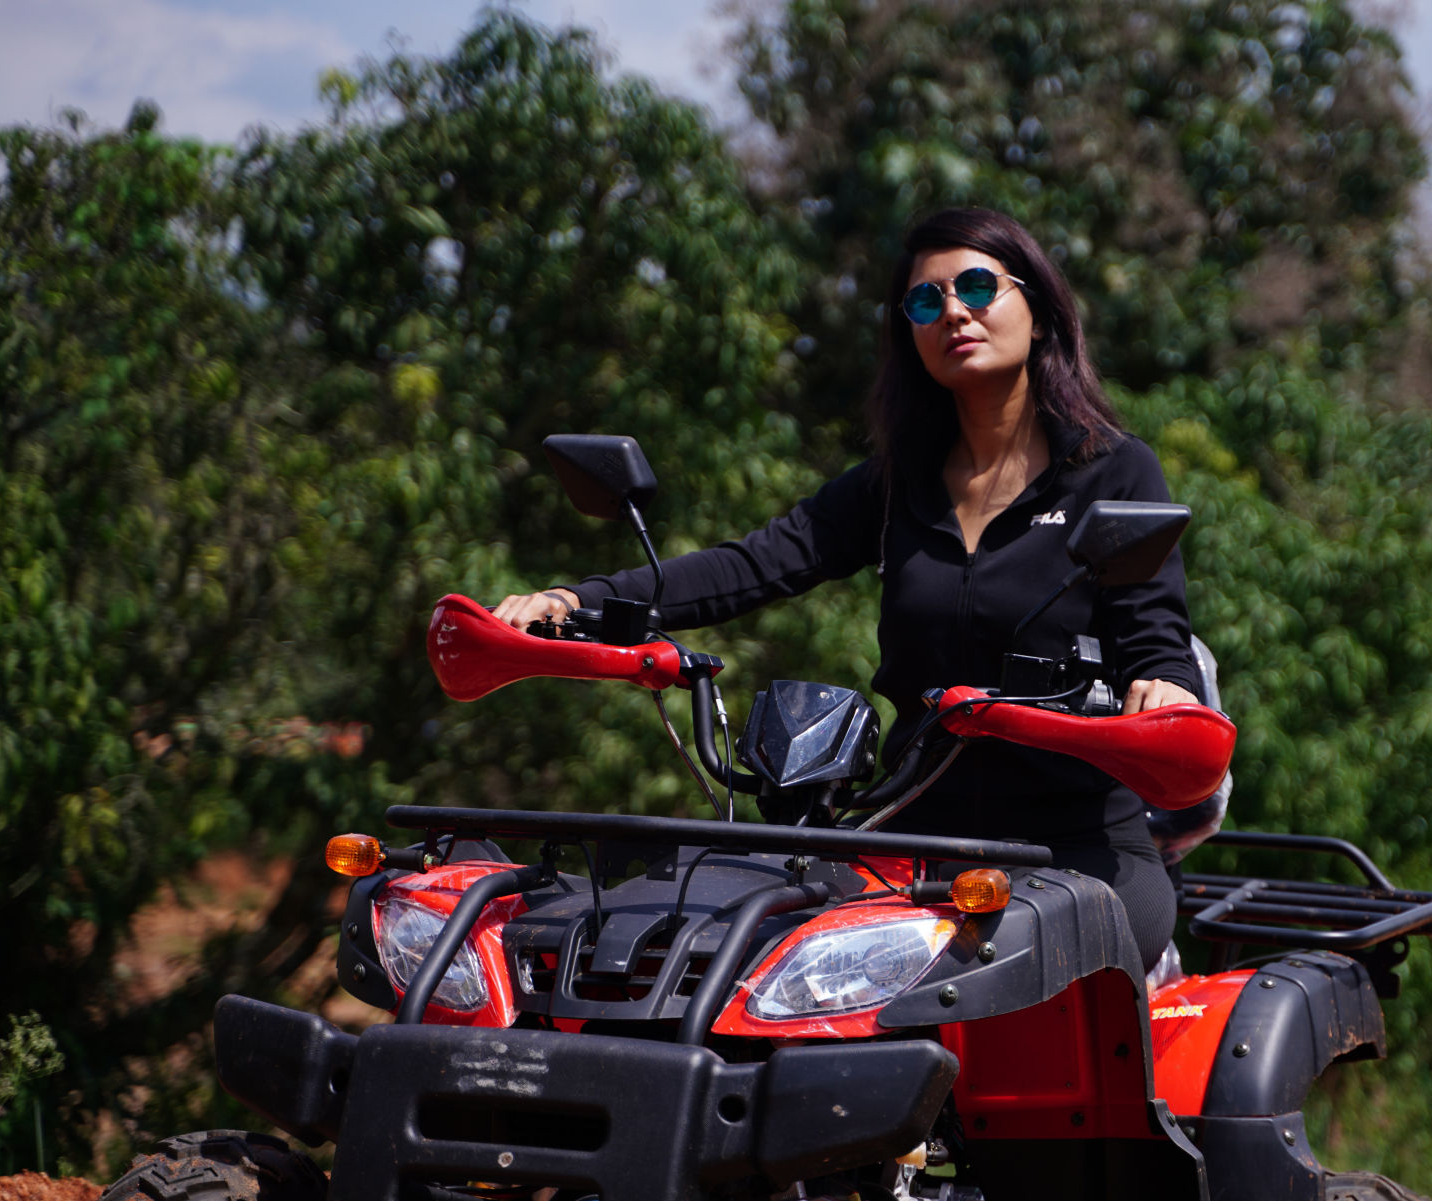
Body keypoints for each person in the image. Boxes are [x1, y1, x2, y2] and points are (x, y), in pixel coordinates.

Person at [494, 208, 1200, 972]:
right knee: (731, 951)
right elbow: (754, 562)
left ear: (1039, 308)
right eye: (925, 302)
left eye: (976, 286)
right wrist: (579, 602)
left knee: (987, 968)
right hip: (910, 844)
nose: (954, 311)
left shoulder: (1112, 471)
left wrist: (1166, 691)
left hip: (1078, 852)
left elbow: (1157, 639)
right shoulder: (897, 487)